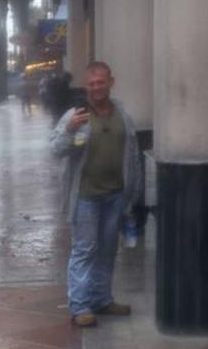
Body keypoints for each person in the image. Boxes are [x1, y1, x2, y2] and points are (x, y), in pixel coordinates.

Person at [50, 61, 141, 328]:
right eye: (91, 83)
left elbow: (132, 155)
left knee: (108, 250)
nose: (96, 87)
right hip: (86, 196)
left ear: (111, 82)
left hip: (115, 196)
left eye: (101, 82)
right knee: (85, 250)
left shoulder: (123, 115)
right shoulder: (75, 115)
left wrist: (132, 193)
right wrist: (69, 131)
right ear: (85, 86)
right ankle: (80, 306)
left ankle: (102, 299)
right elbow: (55, 149)